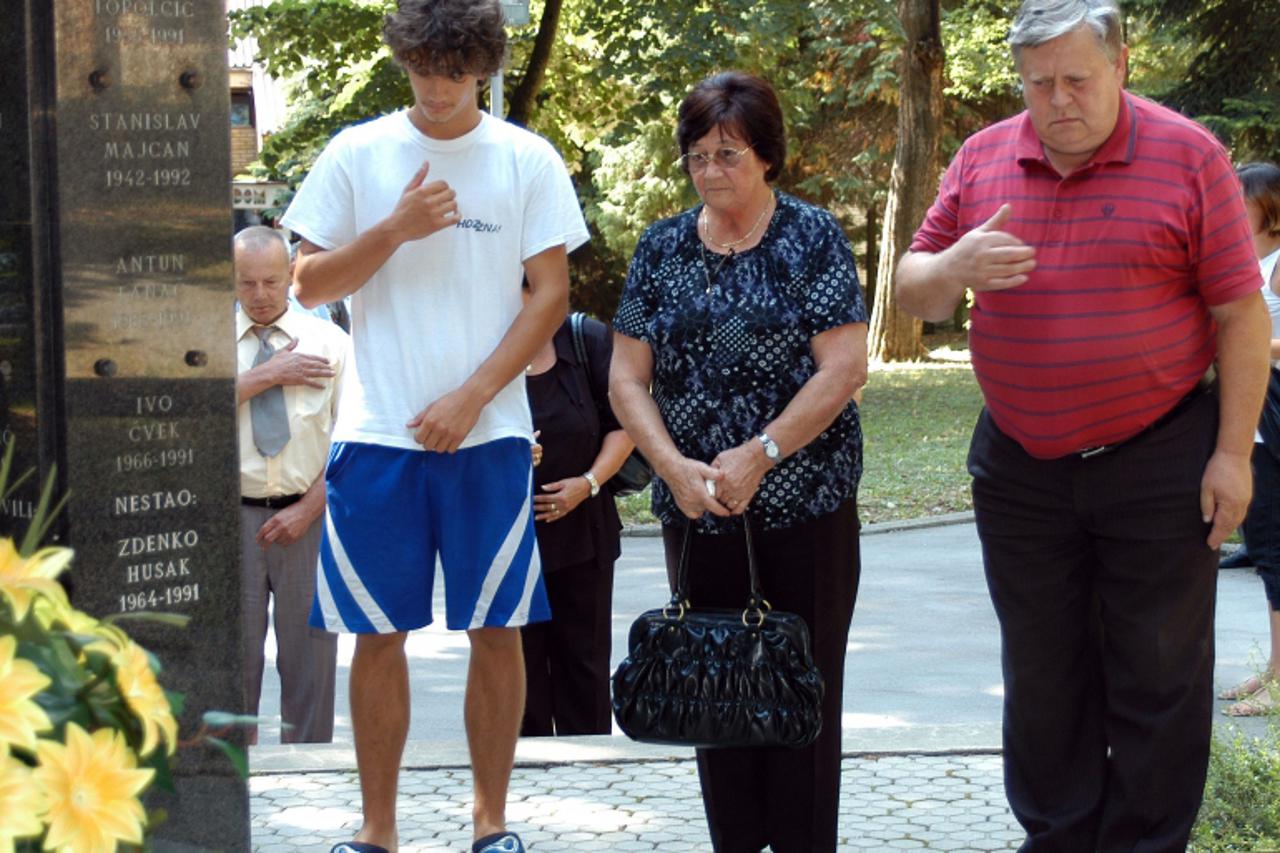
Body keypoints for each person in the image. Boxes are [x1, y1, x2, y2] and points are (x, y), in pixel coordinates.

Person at [894, 0, 1270, 848]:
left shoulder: (1189, 156)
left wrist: (1233, 456)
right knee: (1042, 672)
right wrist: (952, 265)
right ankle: (1057, 835)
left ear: (1121, 65)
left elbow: (1241, 316)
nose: (1058, 99)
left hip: (1159, 455)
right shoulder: (983, 156)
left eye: (1076, 79)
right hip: (1022, 468)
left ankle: (1143, 842)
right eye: (1038, 84)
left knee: (1159, 674)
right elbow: (914, 287)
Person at [279, 0, 589, 849]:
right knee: (376, 636)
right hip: (378, 436)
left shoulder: (526, 158)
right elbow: (305, 283)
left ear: (485, 65)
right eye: (424, 68)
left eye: (457, 71)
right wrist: (392, 229)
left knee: (498, 629)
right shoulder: (358, 152)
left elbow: (550, 296)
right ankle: (378, 832)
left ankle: (491, 826)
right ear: (402, 59)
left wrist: (472, 395)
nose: (440, 87)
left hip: (486, 437)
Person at [610, 70, 868, 852]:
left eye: (728, 153)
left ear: (766, 155)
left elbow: (845, 368)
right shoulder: (660, 247)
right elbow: (625, 376)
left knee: (798, 697)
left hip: (805, 510)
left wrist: (762, 452)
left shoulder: (811, 236)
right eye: (696, 154)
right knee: (712, 692)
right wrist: (671, 466)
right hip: (697, 511)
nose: (710, 169)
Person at [234, 225, 346, 744]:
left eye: (271, 282)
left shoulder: (331, 343)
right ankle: (232, 785)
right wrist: (266, 375)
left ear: (291, 276)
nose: (259, 296)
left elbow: (356, 443)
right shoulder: (201, 344)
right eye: (247, 283)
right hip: (230, 518)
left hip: (309, 518)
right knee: (232, 666)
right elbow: (184, 420)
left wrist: (308, 508)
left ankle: (310, 778)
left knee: (310, 665)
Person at [519, 297, 633, 736]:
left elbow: (623, 424)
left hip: (584, 535)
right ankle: (526, 783)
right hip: (511, 541)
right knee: (522, 678)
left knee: (584, 671)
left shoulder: (586, 340)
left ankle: (589, 776)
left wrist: (587, 483)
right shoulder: (483, 349)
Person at [1220, 162, 1280, 717]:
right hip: (1254, 421)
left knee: (1277, 552)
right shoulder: (1245, 264)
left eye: (1239, 199)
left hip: (1274, 416)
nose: (1228, 207)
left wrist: (1249, 343)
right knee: (1265, 551)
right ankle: (1273, 670)